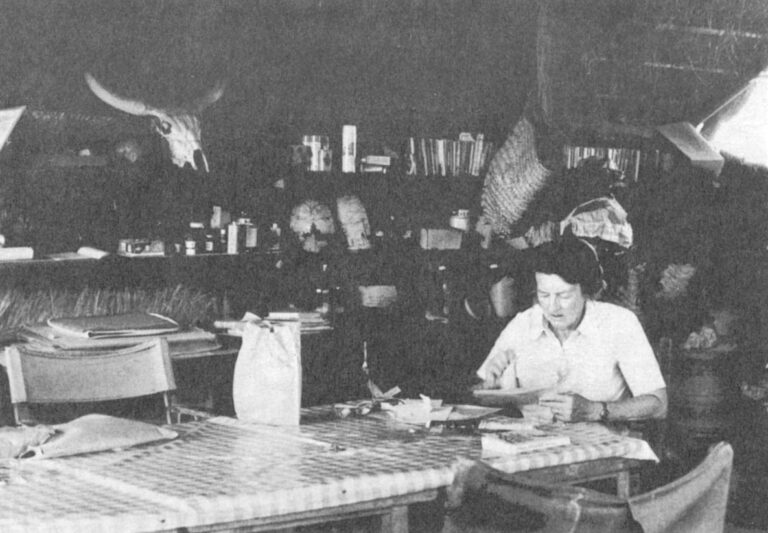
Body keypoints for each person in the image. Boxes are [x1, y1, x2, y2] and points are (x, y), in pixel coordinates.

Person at [476, 237, 667, 423]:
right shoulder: (522, 325)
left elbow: (658, 405)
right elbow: (480, 397)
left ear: (586, 290)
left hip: (603, 444)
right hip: (534, 445)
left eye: (564, 295)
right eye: (544, 295)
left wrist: (596, 411)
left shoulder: (619, 323)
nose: (552, 307)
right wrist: (491, 385)